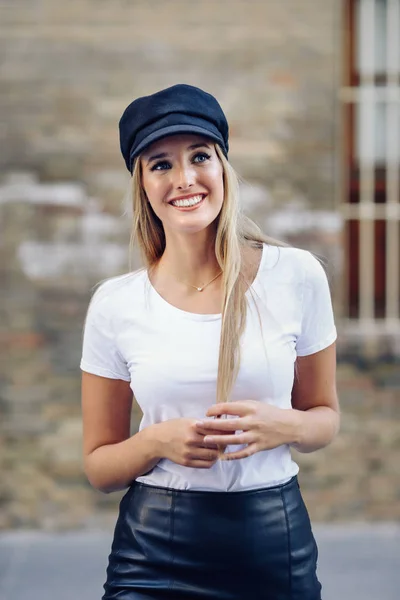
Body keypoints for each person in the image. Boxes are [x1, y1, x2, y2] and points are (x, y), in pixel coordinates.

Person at [80, 83, 340, 600]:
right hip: (153, 552)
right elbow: (99, 467)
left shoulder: (297, 275)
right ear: (143, 185)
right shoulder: (116, 304)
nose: (185, 179)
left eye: (199, 156)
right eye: (160, 164)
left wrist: (282, 425)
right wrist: (156, 441)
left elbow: (325, 419)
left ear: (222, 166)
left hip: (272, 543)